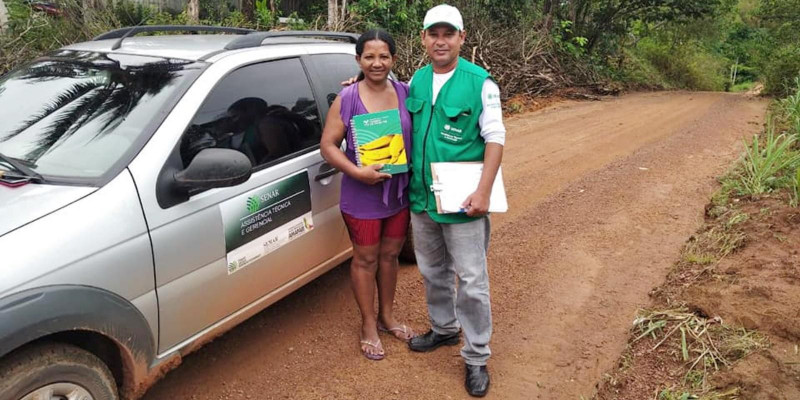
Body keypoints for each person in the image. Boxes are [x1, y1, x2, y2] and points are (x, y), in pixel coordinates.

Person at [404, 4, 506, 397]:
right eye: (434, 34)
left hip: (464, 202)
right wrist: (357, 83)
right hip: (422, 199)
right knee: (432, 272)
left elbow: (495, 138)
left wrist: (482, 191)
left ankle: (477, 356)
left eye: (448, 34)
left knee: (473, 282)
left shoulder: (480, 83)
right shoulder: (416, 79)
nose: (440, 41)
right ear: (424, 39)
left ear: (462, 38)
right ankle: (444, 329)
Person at [320, 29, 415, 361]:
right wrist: (358, 172)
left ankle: (388, 316)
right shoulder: (347, 98)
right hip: (362, 195)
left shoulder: (405, 92)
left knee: (390, 257)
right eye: (369, 57)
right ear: (358, 60)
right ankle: (369, 324)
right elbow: (328, 146)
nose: (377, 63)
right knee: (366, 259)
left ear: (394, 59)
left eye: (384, 56)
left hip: (398, 192)